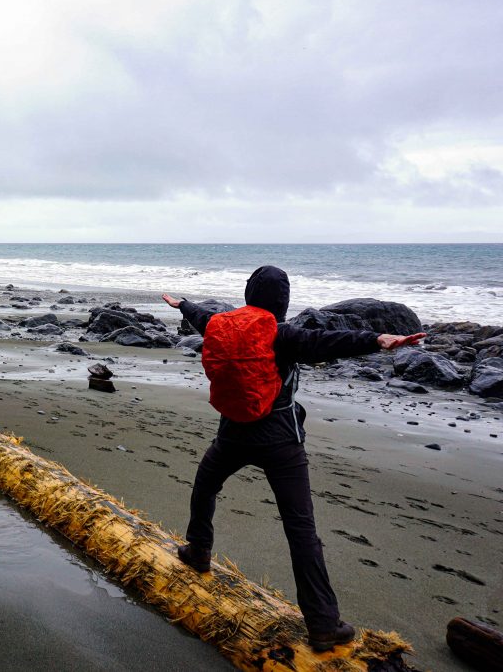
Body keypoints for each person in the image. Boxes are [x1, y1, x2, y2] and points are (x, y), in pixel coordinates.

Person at [162, 265, 425, 652]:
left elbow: (202, 317)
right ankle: (322, 623)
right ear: (282, 302)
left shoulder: (222, 324)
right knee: (300, 528)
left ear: (250, 295)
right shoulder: (283, 334)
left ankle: (198, 550)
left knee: (205, 486)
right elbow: (328, 341)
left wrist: (183, 303)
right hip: (280, 440)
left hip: (233, 432)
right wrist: (378, 340)